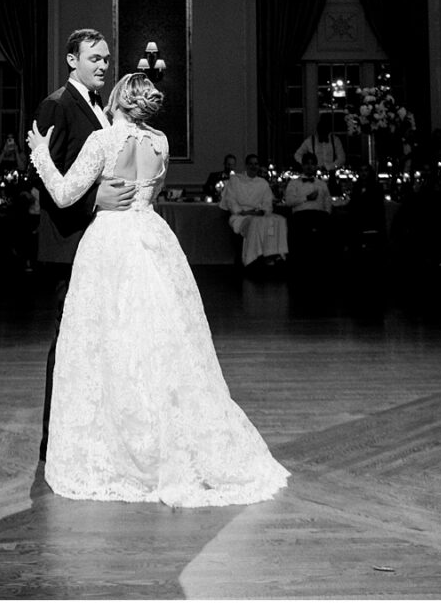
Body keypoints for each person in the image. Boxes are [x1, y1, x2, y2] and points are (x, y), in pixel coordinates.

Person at [28, 72, 288, 506]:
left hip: (110, 241)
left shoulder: (104, 141)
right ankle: (165, 435)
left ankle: (123, 442)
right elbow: (153, 190)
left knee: (109, 341)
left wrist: (41, 154)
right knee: (160, 339)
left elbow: (64, 193)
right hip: (151, 235)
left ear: (117, 99)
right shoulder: (162, 143)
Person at [31, 28, 135, 462]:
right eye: (94, 58)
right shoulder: (57, 104)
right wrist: (96, 201)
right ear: (72, 60)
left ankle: (92, 434)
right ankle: (53, 442)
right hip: (67, 246)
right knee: (68, 344)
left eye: (107, 59)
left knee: (98, 343)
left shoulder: (101, 110)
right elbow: (40, 175)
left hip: (97, 245)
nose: (103, 66)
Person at [220, 153, 289, 267]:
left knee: (279, 220)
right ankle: (252, 258)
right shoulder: (236, 180)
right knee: (255, 223)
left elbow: (267, 203)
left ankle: (274, 254)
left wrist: (260, 212)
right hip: (240, 216)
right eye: (251, 164)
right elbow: (230, 200)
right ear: (246, 166)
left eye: (256, 164)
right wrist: (243, 212)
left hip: (259, 214)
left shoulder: (263, 183)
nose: (253, 166)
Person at [282, 151, 335, 262]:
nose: (309, 166)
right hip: (301, 216)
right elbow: (289, 202)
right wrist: (306, 198)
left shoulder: (322, 184)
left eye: (312, 164)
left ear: (315, 166)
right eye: (307, 163)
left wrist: (327, 213)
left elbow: (328, 202)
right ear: (302, 165)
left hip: (319, 215)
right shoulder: (294, 183)